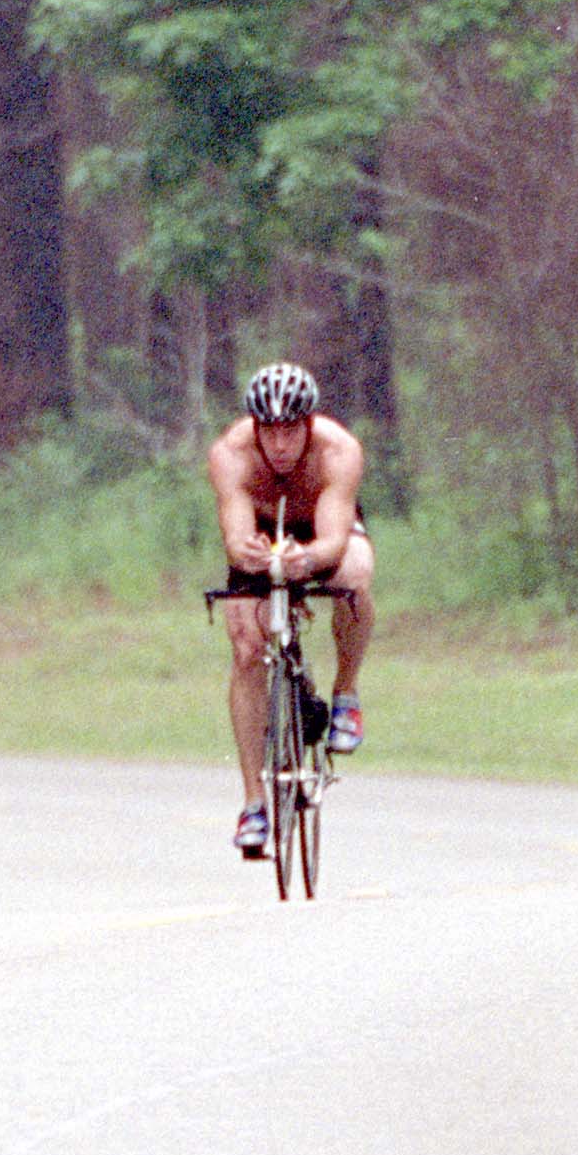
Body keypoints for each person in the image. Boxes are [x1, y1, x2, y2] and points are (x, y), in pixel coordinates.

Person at [204, 359, 374, 862]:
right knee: (245, 645)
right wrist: (248, 554)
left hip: (321, 531)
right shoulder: (231, 455)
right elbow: (236, 535)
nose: (280, 444)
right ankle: (254, 803)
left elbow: (334, 539)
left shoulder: (338, 451)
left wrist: (311, 559)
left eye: (291, 431)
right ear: (255, 428)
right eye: (270, 432)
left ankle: (345, 694)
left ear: (309, 424)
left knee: (354, 576)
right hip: (262, 530)